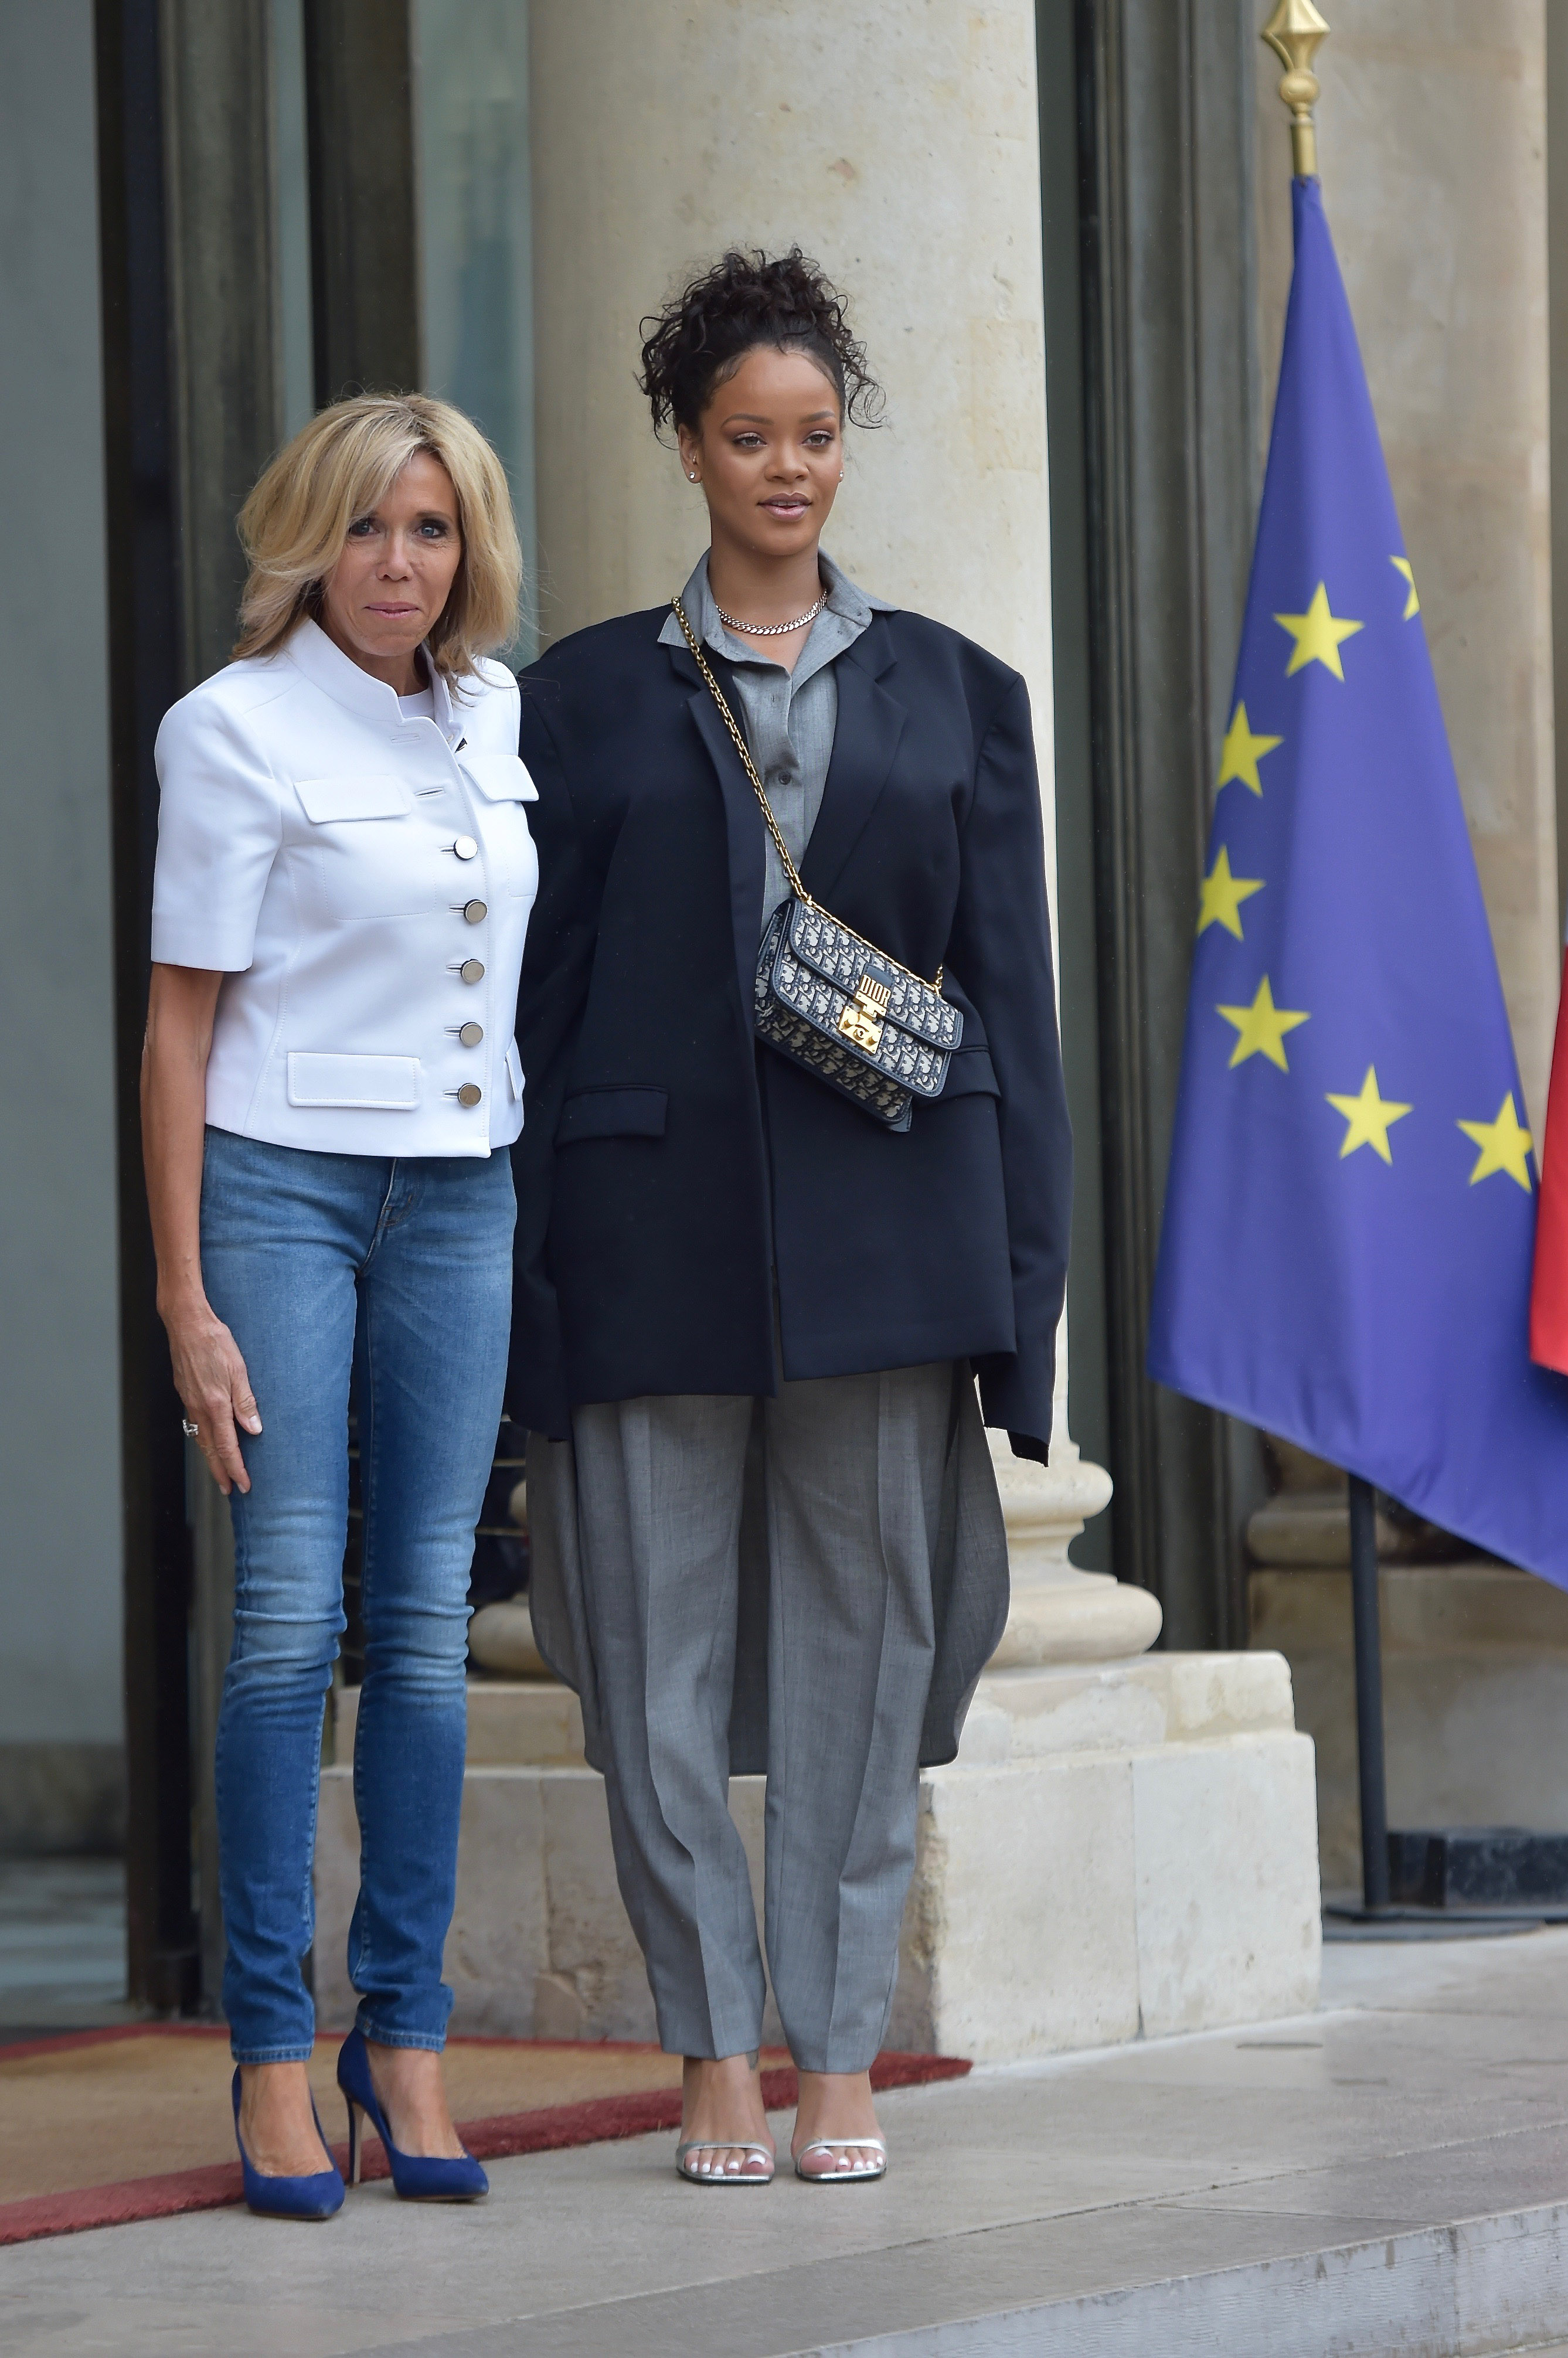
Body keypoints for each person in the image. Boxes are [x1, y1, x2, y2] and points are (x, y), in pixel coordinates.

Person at [510, 251, 1072, 2185]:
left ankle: (838, 2049)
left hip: (897, 1248)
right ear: (686, 445)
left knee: (867, 1652)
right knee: (643, 1669)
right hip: (642, 1236)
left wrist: (1026, 1302)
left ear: (849, 445)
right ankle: (708, 2049)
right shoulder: (573, 701)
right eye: (747, 436)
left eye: (815, 436)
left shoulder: (961, 694)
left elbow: (1015, 1007)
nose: (785, 468)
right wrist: (527, 1292)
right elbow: (535, 1006)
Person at [144, 393, 534, 2219]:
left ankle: (408, 2041)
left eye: (435, 531)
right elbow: (178, 1027)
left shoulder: (491, 711)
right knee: (292, 1627)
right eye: (371, 529)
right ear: (309, 537)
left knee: (430, 1632)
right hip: (282, 1191)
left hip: (464, 1194)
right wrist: (181, 1294)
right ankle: (272, 2058)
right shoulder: (228, 730)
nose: (402, 564)